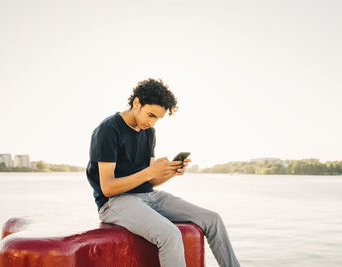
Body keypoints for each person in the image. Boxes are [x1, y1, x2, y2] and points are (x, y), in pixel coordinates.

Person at [86, 78, 240, 267]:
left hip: (149, 197)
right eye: (150, 115)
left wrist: (170, 172)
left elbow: (149, 181)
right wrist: (151, 171)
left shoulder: (149, 132)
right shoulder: (108, 130)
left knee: (213, 220)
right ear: (136, 103)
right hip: (114, 203)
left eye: (157, 118)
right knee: (170, 234)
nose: (151, 123)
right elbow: (108, 188)